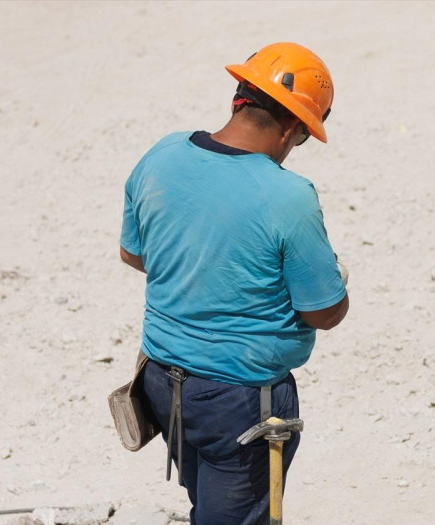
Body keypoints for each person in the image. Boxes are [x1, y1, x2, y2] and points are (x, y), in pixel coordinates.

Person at [118, 42, 349, 525]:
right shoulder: (288, 196)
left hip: (162, 382)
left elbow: (134, 254)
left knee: (209, 507)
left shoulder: (162, 155)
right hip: (241, 403)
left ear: (237, 98)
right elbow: (324, 312)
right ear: (292, 127)